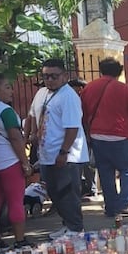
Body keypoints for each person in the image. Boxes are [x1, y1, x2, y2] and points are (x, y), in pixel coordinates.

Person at [80, 57, 128, 217]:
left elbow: (83, 113)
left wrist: (88, 134)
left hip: (97, 136)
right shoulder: (124, 89)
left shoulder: (89, 88)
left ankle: (111, 207)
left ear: (101, 70)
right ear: (119, 72)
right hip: (120, 136)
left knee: (106, 173)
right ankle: (123, 203)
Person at [36, 58, 88, 238]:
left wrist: (64, 152)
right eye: (46, 76)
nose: (49, 80)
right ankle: (68, 225)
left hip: (66, 156)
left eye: (54, 76)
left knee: (68, 194)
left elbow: (72, 127)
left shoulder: (68, 96)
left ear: (65, 76)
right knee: (56, 194)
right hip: (48, 154)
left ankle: (76, 229)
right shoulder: (47, 93)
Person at [0, 74, 32, 249]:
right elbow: (16, 139)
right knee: (16, 201)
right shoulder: (4, 111)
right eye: (7, 87)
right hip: (9, 162)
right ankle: (19, 240)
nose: (12, 91)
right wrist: (25, 162)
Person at [68, 78, 98, 199]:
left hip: (85, 133)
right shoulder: (74, 99)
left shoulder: (82, 100)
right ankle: (88, 187)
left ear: (79, 88)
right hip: (82, 133)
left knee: (88, 163)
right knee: (84, 163)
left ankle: (91, 188)